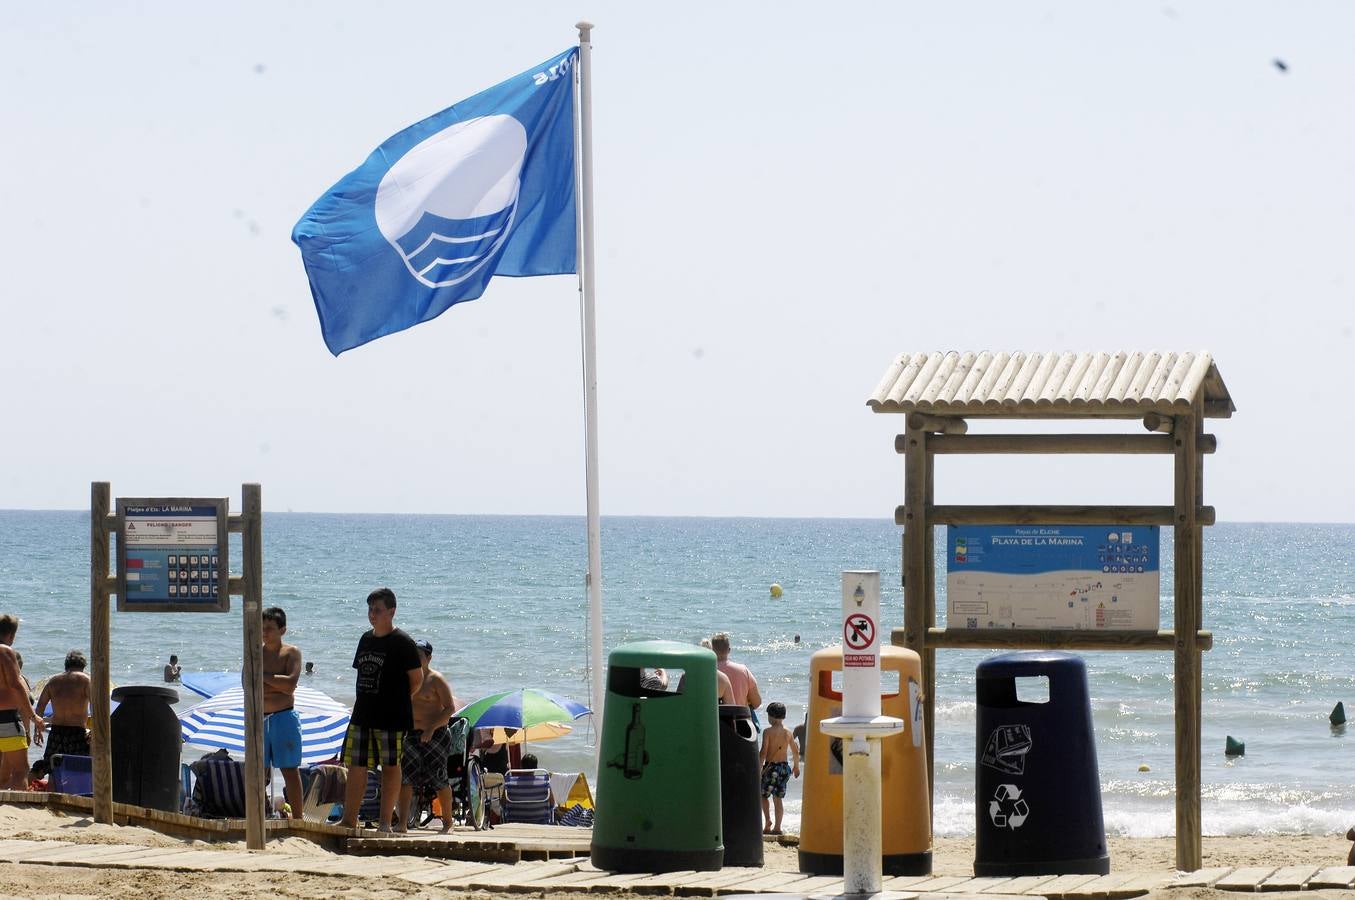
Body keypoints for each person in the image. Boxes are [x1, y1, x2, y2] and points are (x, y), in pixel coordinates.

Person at [338, 588, 422, 831]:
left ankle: (385, 822)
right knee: (356, 765)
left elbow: (416, 680)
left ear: (391, 612)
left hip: (392, 717)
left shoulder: (403, 642)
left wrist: (397, 701)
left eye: (377, 610)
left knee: (390, 766)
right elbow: (361, 673)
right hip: (362, 713)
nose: (372, 614)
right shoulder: (365, 639)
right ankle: (349, 819)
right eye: (370, 609)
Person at [396, 639, 458, 834]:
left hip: (436, 733)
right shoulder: (406, 678)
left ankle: (448, 822)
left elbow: (449, 708)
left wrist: (431, 728)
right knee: (405, 779)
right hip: (411, 734)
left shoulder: (435, 679)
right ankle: (402, 823)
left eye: (419, 655)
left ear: (428, 658)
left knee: (439, 777)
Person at [261, 606, 303, 820]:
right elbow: (247, 684)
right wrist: (276, 680)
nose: (264, 632)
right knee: (258, 772)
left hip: (284, 716)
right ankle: (258, 814)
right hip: (260, 717)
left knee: (289, 770)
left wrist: (264, 677)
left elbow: (290, 686)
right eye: (262, 627)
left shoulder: (291, 652)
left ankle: (297, 819)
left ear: (282, 630)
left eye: (270, 628)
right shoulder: (255, 653)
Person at [0, 614, 44, 789]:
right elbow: (16, 685)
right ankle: (18, 811)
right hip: (6, 718)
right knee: (21, 769)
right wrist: (33, 717)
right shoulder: (5, 651)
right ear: (11, 635)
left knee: (3, 771)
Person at [36, 649, 92, 764]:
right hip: (77, 733)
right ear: (83, 666)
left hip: (56, 732)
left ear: (66, 666)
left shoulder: (53, 681)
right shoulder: (86, 680)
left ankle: (26, 782)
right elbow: (96, 706)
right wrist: (95, 730)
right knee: (77, 768)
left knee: (50, 767)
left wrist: (37, 729)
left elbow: (40, 705)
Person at [758, 701, 800, 835]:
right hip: (784, 768)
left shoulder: (768, 732)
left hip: (771, 768)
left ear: (771, 716)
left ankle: (768, 821)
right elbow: (795, 751)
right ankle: (777, 827)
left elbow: (763, 752)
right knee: (778, 798)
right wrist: (796, 767)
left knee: (763, 795)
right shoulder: (788, 732)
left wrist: (759, 769)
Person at [712, 632, 761, 712]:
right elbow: (757, 703)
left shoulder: (709, 671)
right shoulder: (743, 670)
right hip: (740, 719)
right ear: (729, 650)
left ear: (712, 650)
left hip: (716, 720)